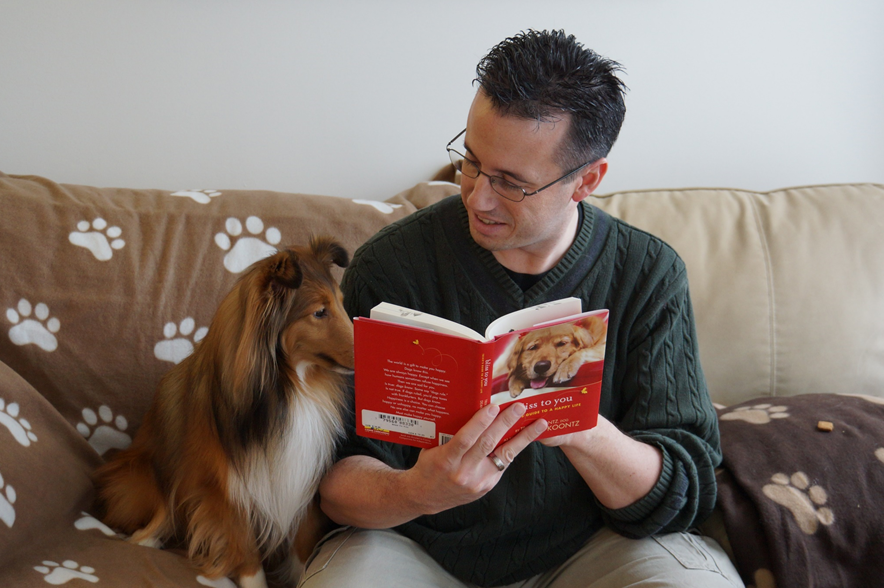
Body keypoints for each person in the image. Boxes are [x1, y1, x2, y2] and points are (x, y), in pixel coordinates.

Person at [300, 30, 743, 588]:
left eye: (511, 183)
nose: (477, 197)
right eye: (471, 162)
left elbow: (686, 490)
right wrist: (415, 490)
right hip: (416, 545)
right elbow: (329, 480)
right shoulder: (391, 269)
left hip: (590, 548)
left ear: (586, 180)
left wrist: (581, 428)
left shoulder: (648, 274)